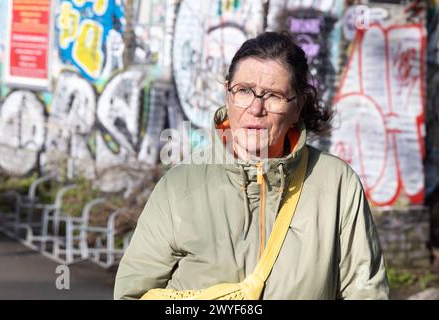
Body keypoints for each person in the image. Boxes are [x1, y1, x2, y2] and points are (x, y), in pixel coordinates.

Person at [114, 31, 389, 300]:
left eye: (274, 96)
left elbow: (366, 292)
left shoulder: (336, 185)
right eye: (244, 91)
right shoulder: (178, 188)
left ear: (298, 106)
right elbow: (132, 294)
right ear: (228, 94)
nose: (256, 109)